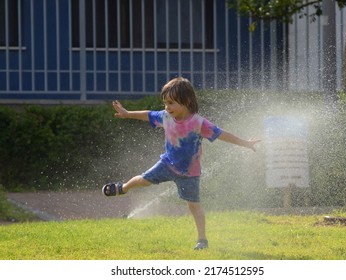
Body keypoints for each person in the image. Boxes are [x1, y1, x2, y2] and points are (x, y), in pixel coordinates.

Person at [102, 77, 260, 250]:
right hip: (166, 164)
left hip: (189, 174)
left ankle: (202, 240)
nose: (167, 107)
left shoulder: (199, 123)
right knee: (143, 180)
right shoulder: (165, 117)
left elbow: (222, 134)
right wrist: (127, 114)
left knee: (194, 206)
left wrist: (245, 143)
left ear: (187, 102)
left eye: (171, 103)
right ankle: (122, 188)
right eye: (165, 103)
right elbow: (147, 115)